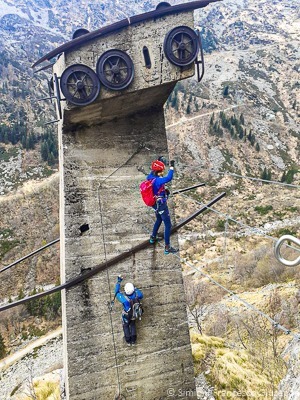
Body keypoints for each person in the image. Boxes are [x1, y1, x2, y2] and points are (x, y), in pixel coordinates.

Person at [147, 158, 178, 254]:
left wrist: (159, 161)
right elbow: (169, 178)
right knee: (168, 225)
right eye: (162, 171)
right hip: (161, 205)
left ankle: (153, 237)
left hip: (155, 205)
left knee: (159, 219)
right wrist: (172, 167)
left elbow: (154, 170)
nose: (163, 172)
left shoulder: (150, 177)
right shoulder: (158, 180)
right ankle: (167, 247)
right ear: (158, 172)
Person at [114, 276, 143, 346]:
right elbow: (141, 295)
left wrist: (119, 281)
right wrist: (135, 289)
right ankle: (133, 340)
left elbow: (116, 292)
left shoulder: (124, 298)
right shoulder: (137, 294)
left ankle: (128, 340)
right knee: (132, 324)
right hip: (134, 313)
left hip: (127, 315)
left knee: (126, 326)